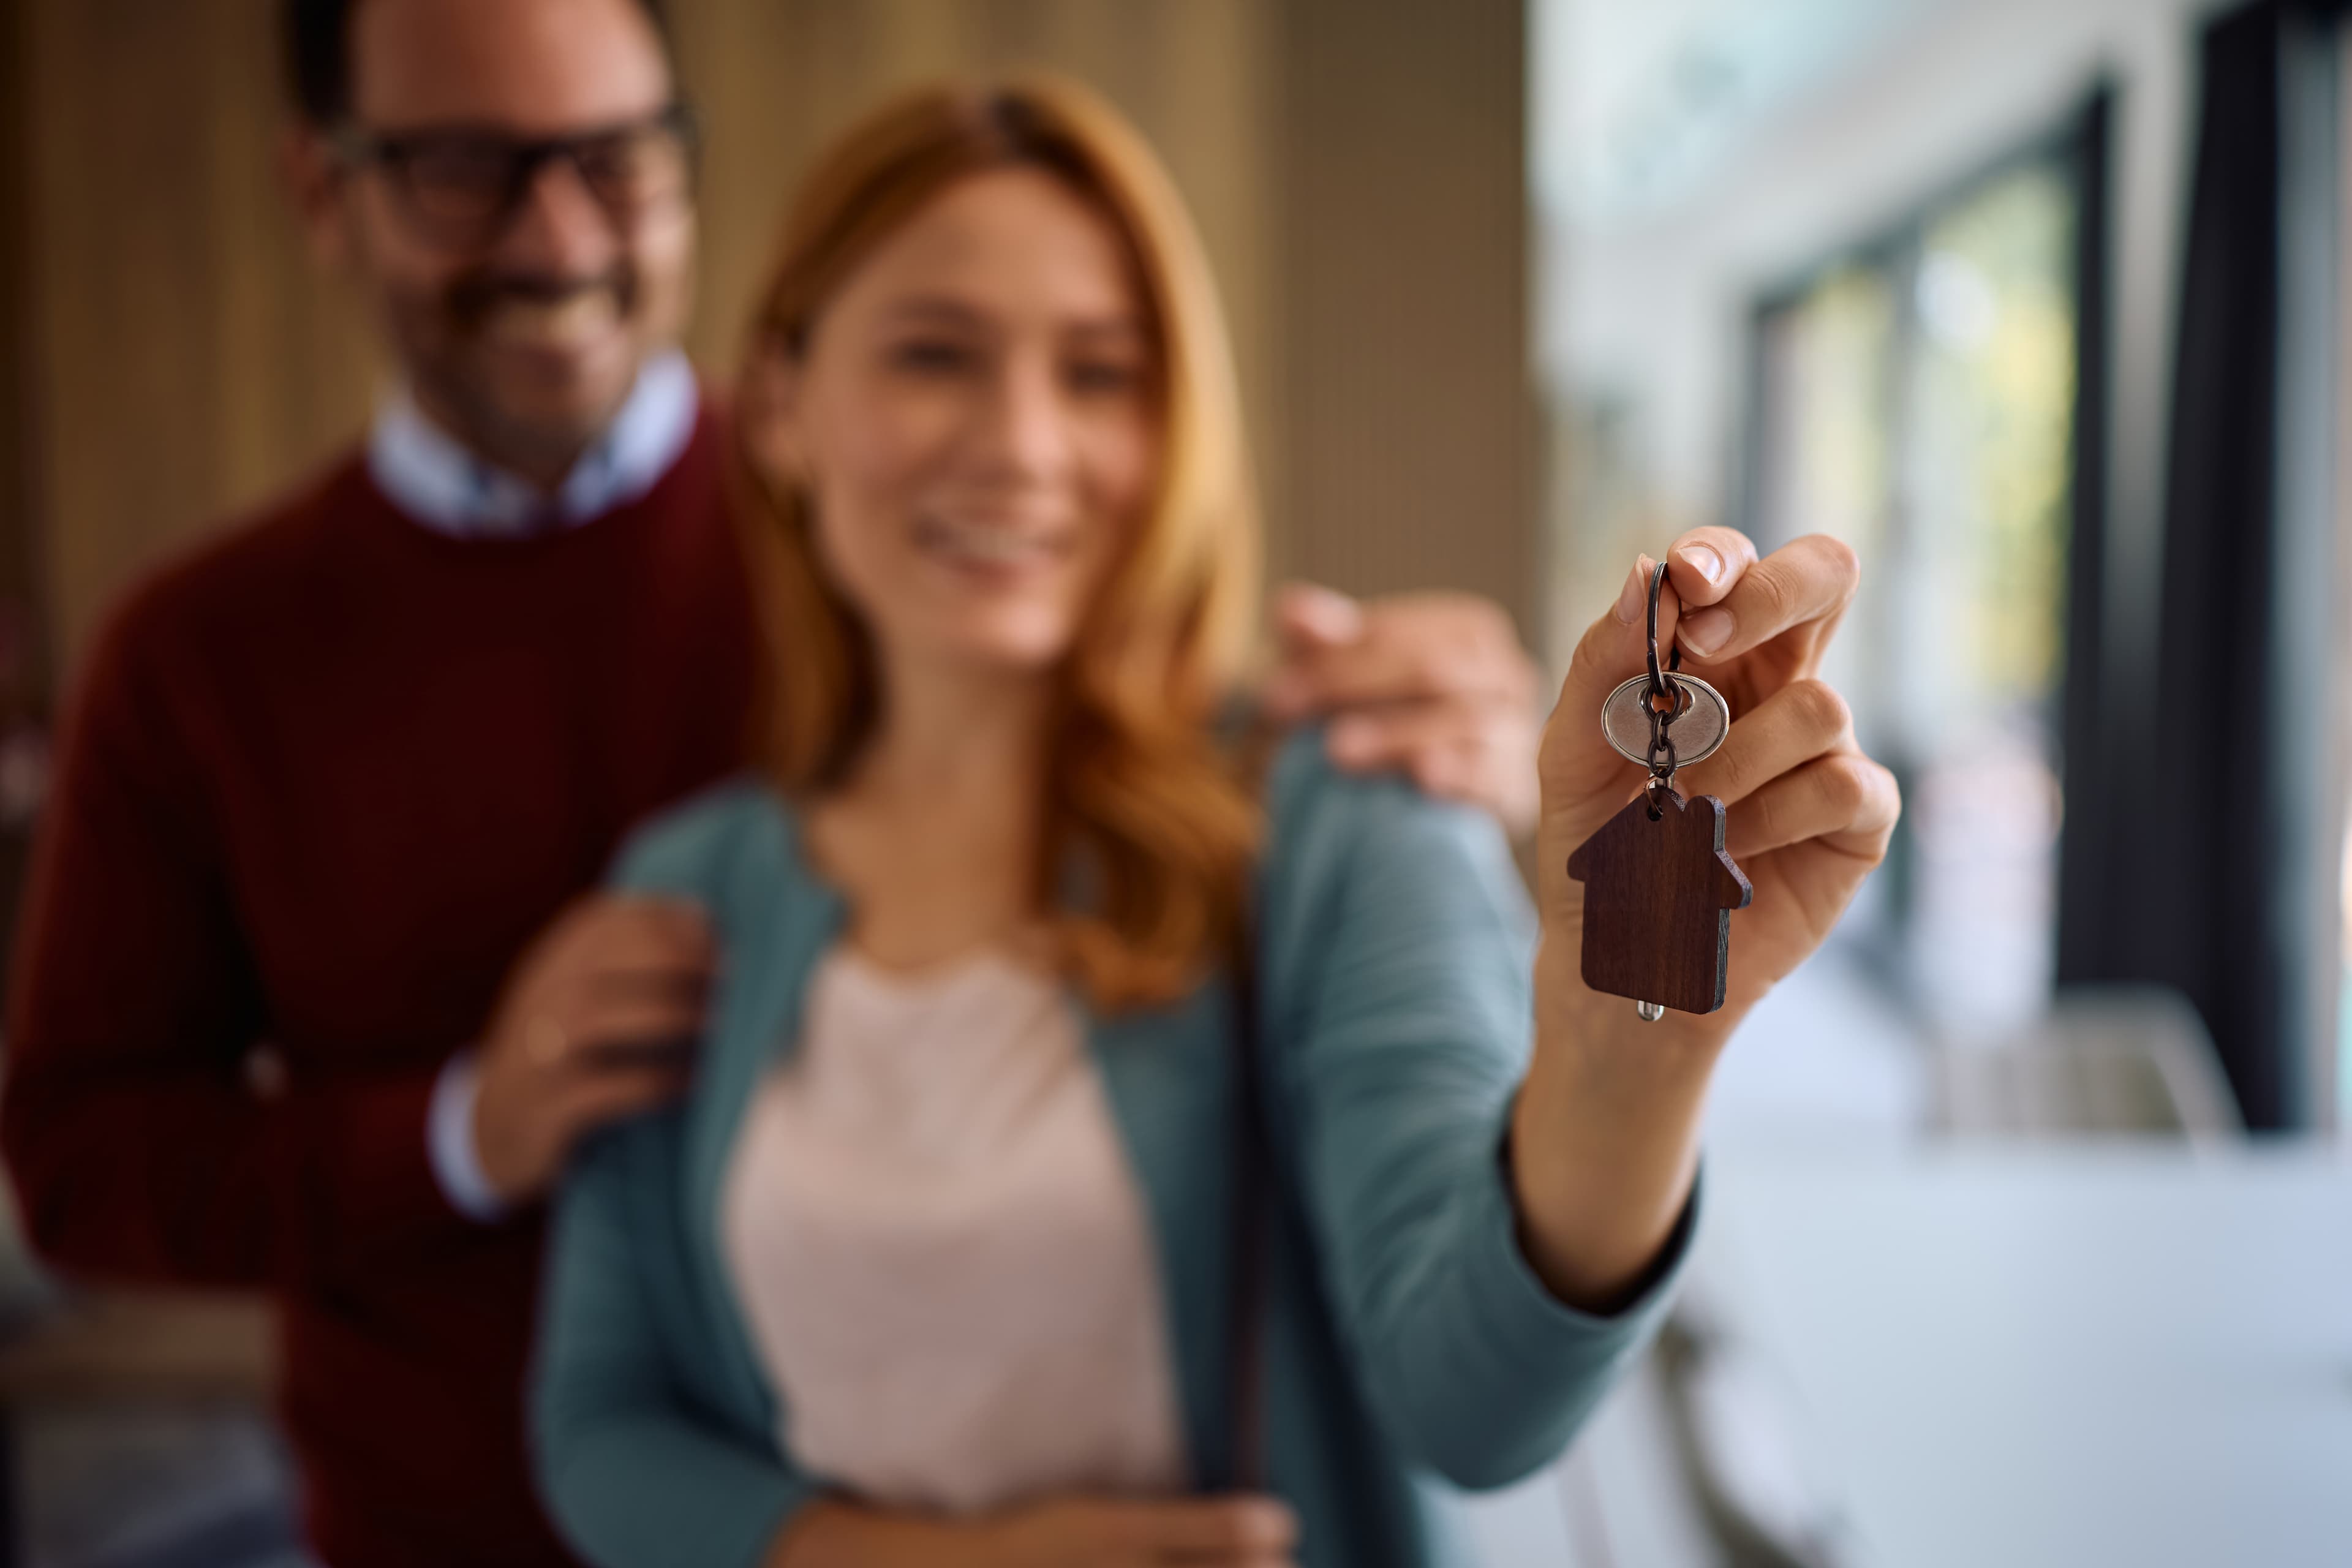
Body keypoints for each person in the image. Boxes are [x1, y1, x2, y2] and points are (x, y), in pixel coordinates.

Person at [0, 4, 1546, 1567]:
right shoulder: (197, 654)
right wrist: (469, 1129)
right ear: (324, 191)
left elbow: (1145, 681)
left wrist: (1428, 734)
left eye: (615, 160)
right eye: (463, 166)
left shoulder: (915, 528)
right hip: (451, 1518)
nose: (556, 236)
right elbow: (75, 1158)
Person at [530, 75, 1897, 1568]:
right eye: (935, 353)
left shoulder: (1340, 805)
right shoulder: (688, 889)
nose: (1023, 443)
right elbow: (602, 1428)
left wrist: (1634, 1030)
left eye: (1104, 372)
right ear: (780, 404)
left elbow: (1481, 1400)